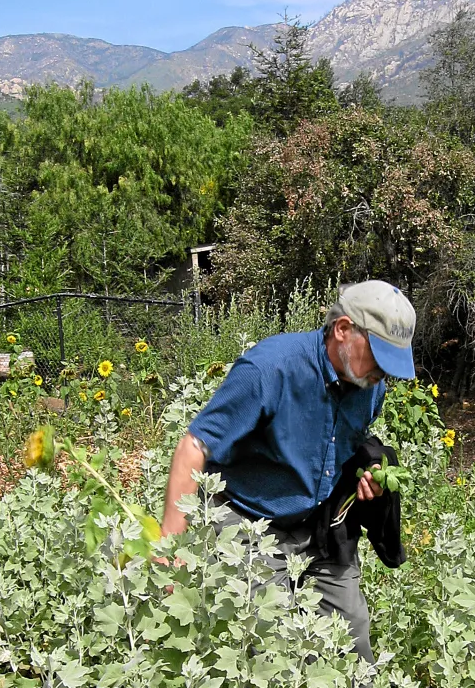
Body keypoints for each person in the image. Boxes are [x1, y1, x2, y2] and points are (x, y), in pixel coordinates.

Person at [159, 280, 417, 661]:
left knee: (351, 639)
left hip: (321, 524)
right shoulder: (270, 368)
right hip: (250, 523)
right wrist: (171, 548)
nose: (383, 372)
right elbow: (193, 447)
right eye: (378, 355)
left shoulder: (369, 384)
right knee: (264, 652)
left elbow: (341, 444)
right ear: (343, 330)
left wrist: (365, 477)